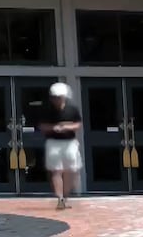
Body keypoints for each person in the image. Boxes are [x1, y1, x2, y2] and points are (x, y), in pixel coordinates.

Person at [38, 81, 83, 210]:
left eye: (58, 97)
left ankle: (66, 196)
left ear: (64, 97)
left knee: (71, 170)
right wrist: (54, 128)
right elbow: (42, 126)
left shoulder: (72, 109)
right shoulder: (47, 110)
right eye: (54, 97)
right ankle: (60, 199)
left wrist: (66, 127)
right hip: (53, 143)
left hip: (70, 143)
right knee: (56, 170)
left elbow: (78, 124)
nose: (56, 100)